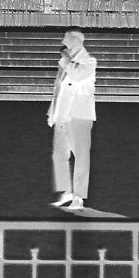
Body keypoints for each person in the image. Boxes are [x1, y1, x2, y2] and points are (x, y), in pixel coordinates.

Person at [48, 29, 97, 212]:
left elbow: (76, 75)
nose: (62, 42)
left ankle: (78, 197)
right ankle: (66, 192)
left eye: (65, 39)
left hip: (79, 115)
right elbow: (58, 90)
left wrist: (65, 59)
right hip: (63, 114)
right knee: (59, 154)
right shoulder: (65, 63)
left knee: (81, 155)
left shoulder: (89, 61)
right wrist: (52, 113)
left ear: (75, 42)